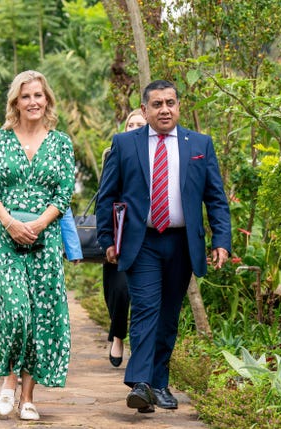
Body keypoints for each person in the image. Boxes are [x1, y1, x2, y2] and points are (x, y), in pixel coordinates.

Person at [96, 80, 231, 413]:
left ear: (179, 106)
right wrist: (107, 239)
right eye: (157, 104)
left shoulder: (199, 144)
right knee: (145, 309)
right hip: (141, 242)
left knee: (169, 316)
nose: (165, 109)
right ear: (145, 110)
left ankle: (158, 383)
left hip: (183, 243)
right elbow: (107, 195)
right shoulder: (124, 144)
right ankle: (140, 382)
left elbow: (215, 198)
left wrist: (221, 241)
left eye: (170, 102)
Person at [0, 70, 76, 421]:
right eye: (26, 97)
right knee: (15, 309)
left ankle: (28, 397)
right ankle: (7, 380)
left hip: (44, 236)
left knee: (40, 315)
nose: (33, 102)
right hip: (5, 235)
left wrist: (37, 224)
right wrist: (10, 223)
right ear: (15, 103)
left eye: (39, 95)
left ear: (47, 100)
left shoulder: (61, 143)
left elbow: (63, 193)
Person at [0, 175, 83, 298]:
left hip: (40, 245)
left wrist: (73, 249)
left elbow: (62, 206)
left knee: (38, 299)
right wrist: (4, 201)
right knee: (4, 299)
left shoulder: (47, 163)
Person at [101, 108, 146, 367]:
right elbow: (105, 195)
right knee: (117, 291)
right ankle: (117, 334)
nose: (135, 128)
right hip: (121, 234)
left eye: (140, 123)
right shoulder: (114, 152)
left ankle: (138, 349)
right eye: (131, 124)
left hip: (150, 236)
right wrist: (107, 238)